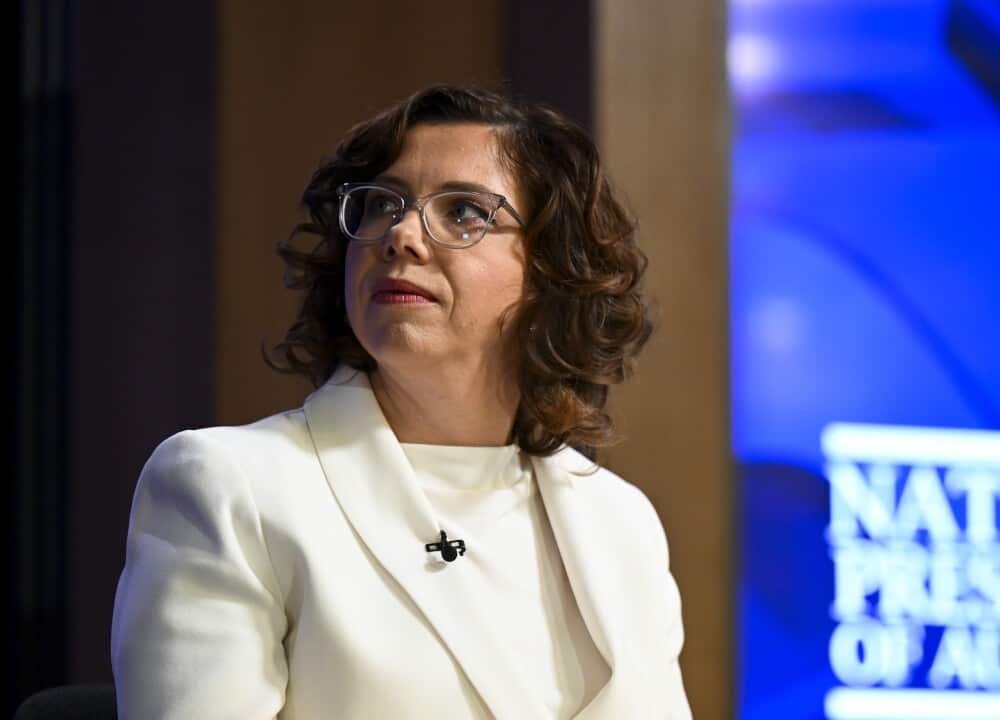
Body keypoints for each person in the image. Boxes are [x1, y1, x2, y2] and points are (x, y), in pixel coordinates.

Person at [110, 85, 692, 719]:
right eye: (381, 206)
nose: (401, 237)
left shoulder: (620, 521)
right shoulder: (230, 486)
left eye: (465, 212)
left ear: (551, 273)